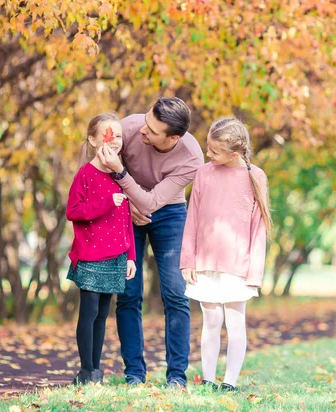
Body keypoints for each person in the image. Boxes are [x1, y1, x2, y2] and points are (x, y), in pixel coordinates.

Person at [97, 97, 204, 388]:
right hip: (125, 209)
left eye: (152, 131)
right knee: (129, 293)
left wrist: (124, 179)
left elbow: (154, 201)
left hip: (168, 212)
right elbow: (98, 169)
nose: (143, 131)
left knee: (176, 294)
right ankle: (134, 373)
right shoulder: (130, 127)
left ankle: (176, 376)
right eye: (146, 121)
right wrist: (126, 203)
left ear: (173, 138)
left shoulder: (192, 157)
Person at [180, 117, 272, 391]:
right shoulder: (204, 173)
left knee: (234, 322)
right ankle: (208, 378)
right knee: (211, 321)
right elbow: (193, 216)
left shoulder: (255, 176)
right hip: (205, 262)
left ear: (234, 154)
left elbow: (258, 229)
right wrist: (188, 259)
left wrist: (254, 273)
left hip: (238, 266)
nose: (208, 154)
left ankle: (229, 381)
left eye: (214, 151)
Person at [65, 112, 136, 385]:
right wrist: (108, 202)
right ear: (94, 140)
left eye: (118, 135)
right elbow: (73, 211)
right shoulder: (85, 174)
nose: (114, 140)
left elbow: (126, 219)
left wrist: (130, 255)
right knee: (90, 312)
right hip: (91, 254)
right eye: (107, 135)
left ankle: (95, 370)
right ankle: (86, 371)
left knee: (103, 314)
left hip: (116, 255)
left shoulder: (121, 175)